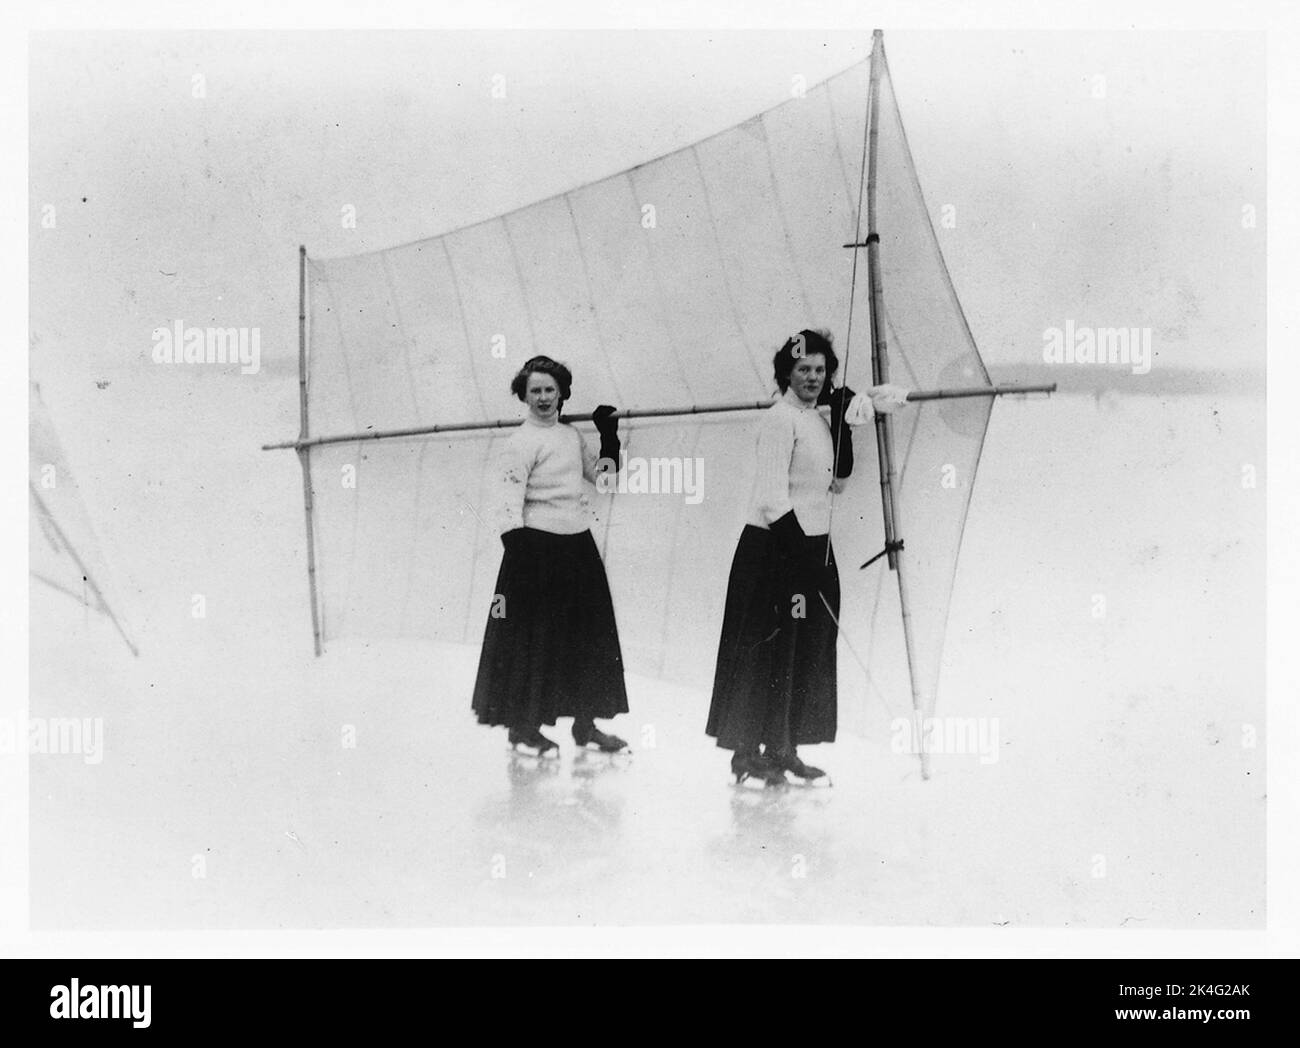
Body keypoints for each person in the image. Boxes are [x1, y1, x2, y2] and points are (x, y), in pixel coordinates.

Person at [705, 329, 910, 785]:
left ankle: (784, 747)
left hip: (812, 546)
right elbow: (771, 497)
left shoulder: (816, 418)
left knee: (805, 650)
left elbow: (839, 475)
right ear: (786, 373)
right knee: (766, 650)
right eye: (804, 370)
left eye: (820, 370)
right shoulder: (780, 419)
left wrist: (842, 417)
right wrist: (801, 555)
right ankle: (745, 753)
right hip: (774, 550)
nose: (813, 377)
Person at [471, 355, 630, 756]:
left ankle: (586, 726)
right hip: (535, 552)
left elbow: (606, 479)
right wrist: (524, 559)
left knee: (588, 638)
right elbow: (505, 505)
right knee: (534, 643)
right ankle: (523, 729)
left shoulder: (571, 436)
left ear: (562, 393)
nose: (543, 398)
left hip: (576, 546)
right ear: (523, 395)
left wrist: (608, 435)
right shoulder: (521, 442)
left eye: (550, 390)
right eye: (535, 390)